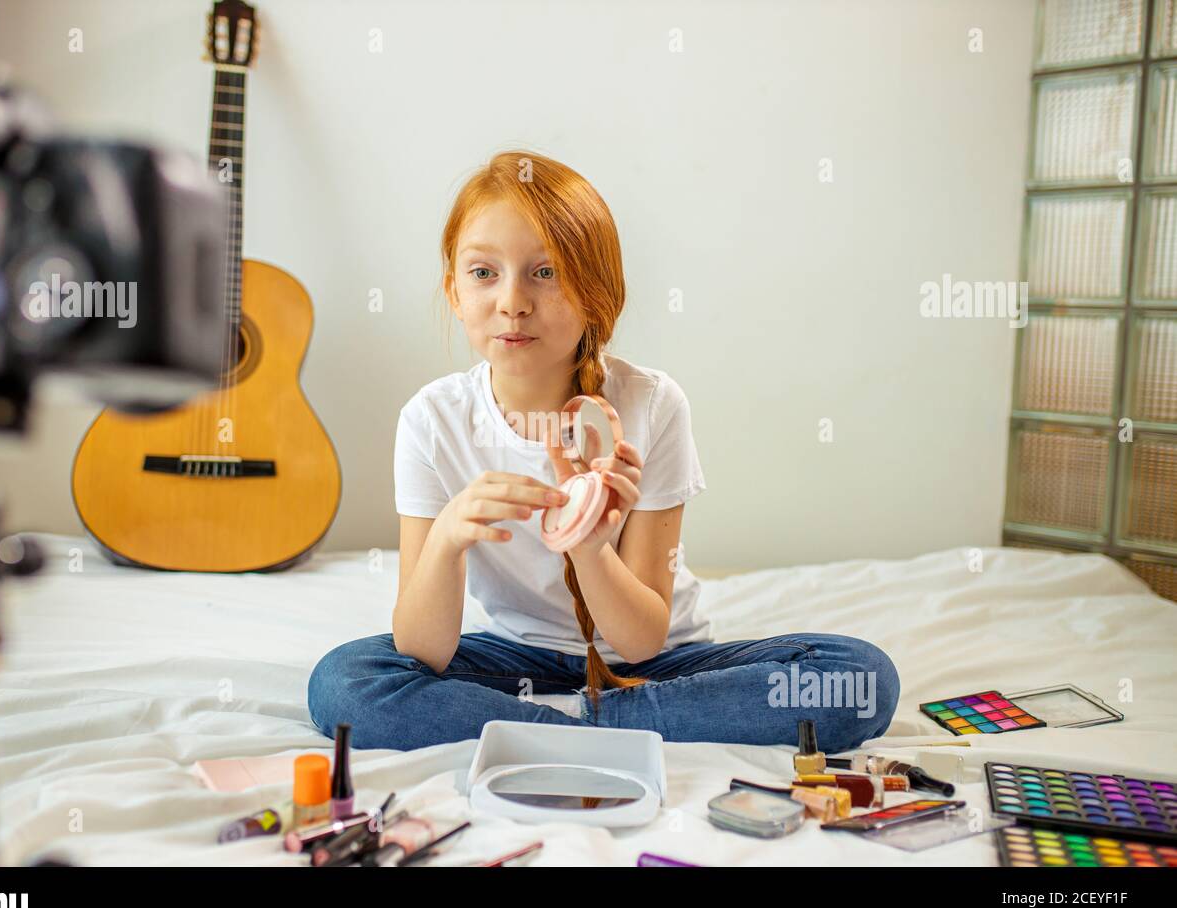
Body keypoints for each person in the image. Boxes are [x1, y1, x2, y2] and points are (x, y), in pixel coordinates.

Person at [308, 150, 898, 752]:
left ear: (595, 293)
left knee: (857, 680)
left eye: (545, 272)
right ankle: (604, 729)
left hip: (660, 666)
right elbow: (422, 650)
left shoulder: (651, 403)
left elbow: (641, 641)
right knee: (343, 683)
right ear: (453, 291)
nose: (512, 300)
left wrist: (589, 547)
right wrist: (448, 539)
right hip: (513, 661)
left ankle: (559, 731)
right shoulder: (431, 420)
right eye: (484, 273)